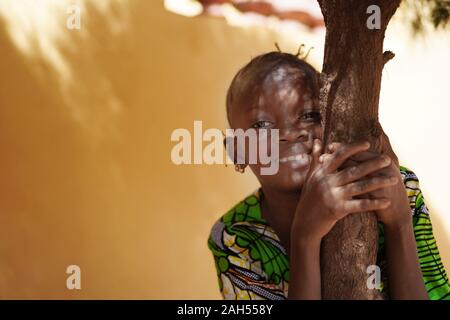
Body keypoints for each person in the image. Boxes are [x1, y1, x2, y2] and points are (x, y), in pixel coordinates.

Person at [207, 50, 450, 300]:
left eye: (309, 115)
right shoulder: (233, 235)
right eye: (261, 125)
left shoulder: (393, 185)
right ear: (236, 151)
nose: (291, 133)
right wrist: (304, 237)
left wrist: (399, 222)